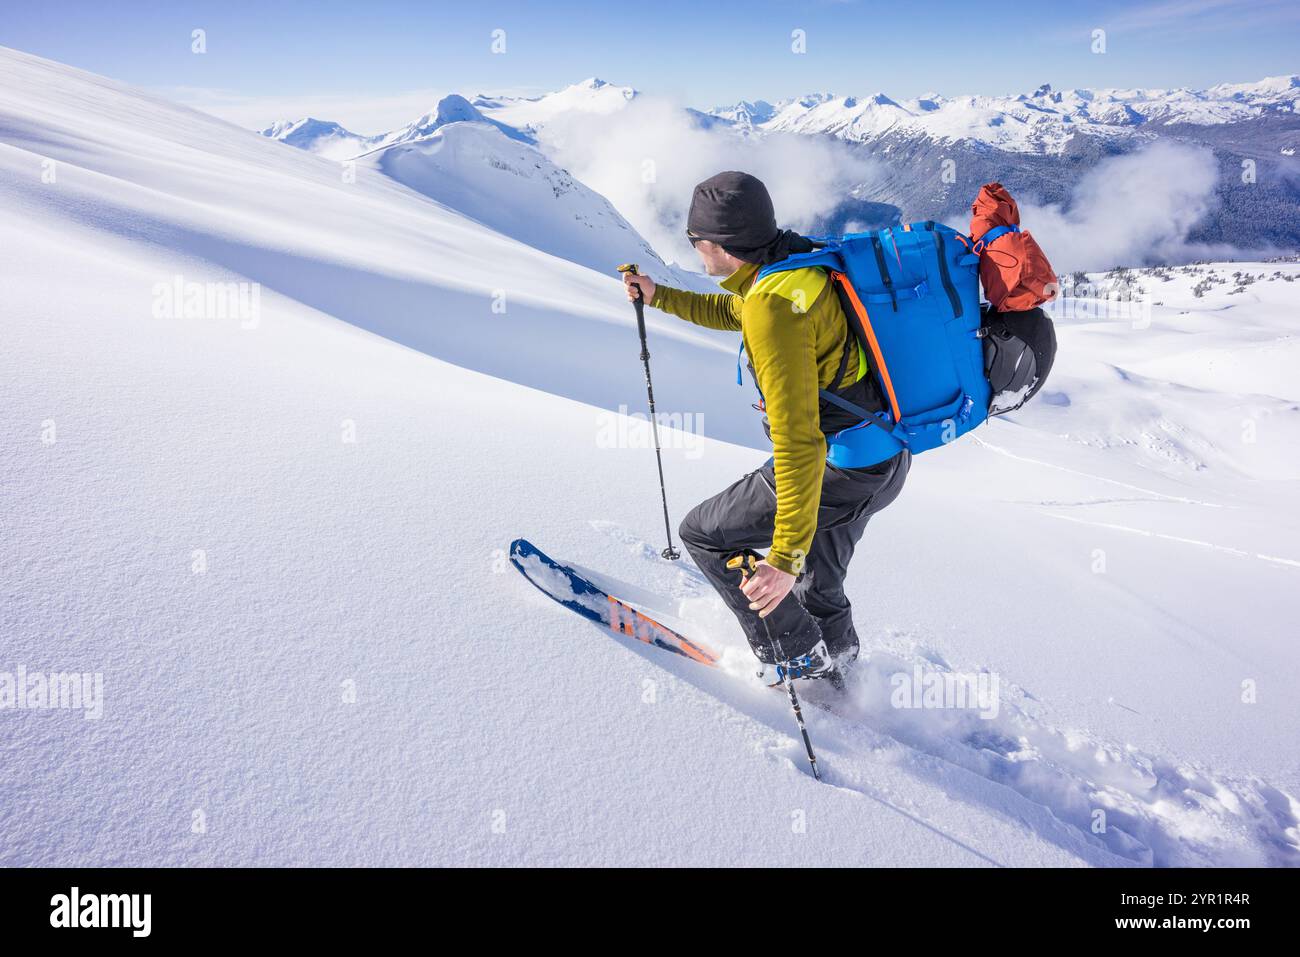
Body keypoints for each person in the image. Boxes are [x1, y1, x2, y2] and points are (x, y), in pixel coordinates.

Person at [621, 171, 909, 682]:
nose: (695, 251)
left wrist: (782, 557)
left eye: (695, 242)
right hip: (883, 454)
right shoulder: (794, 265)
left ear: (717, 244)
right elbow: (736, 310)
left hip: (838, 469)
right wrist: (658, 295)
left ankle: (796, 654)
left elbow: (799, 443)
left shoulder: (773, 307)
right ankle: (841, 679)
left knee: (706, 534)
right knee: (817, 589)